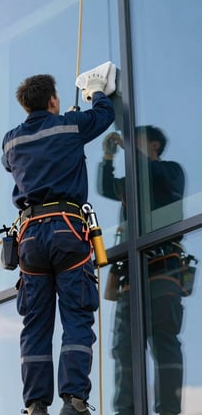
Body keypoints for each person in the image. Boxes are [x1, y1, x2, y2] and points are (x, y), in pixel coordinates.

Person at [1, 72, 115, 415]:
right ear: (52, 101)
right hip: (67, 230)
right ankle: (74, 400)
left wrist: (63, 126)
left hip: (30, 237)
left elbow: (11, 163)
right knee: (77, 316)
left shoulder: (10, 141)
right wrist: (96, 91)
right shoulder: (69, 127)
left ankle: (35, 405)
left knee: (35, 324)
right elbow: (104, 115)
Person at [98, 125, 189, 415]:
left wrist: (130, 152)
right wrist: (108, 158)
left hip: (163, 271)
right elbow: (104, 186)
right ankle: (126, 410)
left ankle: (168, 410)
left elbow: (154, 175)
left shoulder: (170, 172)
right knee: (124, 349)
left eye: (137, 143)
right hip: (132, 277)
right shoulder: (132, 184)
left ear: (154, 147)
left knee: (164, 344)